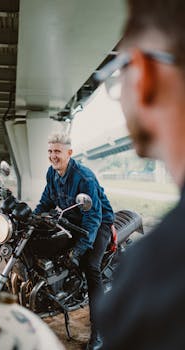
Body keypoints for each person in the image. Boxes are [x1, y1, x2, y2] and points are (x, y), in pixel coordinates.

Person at [94, 0, 185, 349]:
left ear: (143, 73)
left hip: (98, 230)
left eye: (119, 69)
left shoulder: (155, 278)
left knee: (90, 267)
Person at [33, 132, 114, 350]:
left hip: (98, 223)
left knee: (90, 266)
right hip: (73, 221)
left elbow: (93, 217)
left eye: (57, 151)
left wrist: (79, 249)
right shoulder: (52, 172)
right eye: (50, 151)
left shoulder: (84, 176)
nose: (53, 156)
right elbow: (46, 201)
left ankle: (99, 331)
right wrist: (32, 219)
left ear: (69, 152)